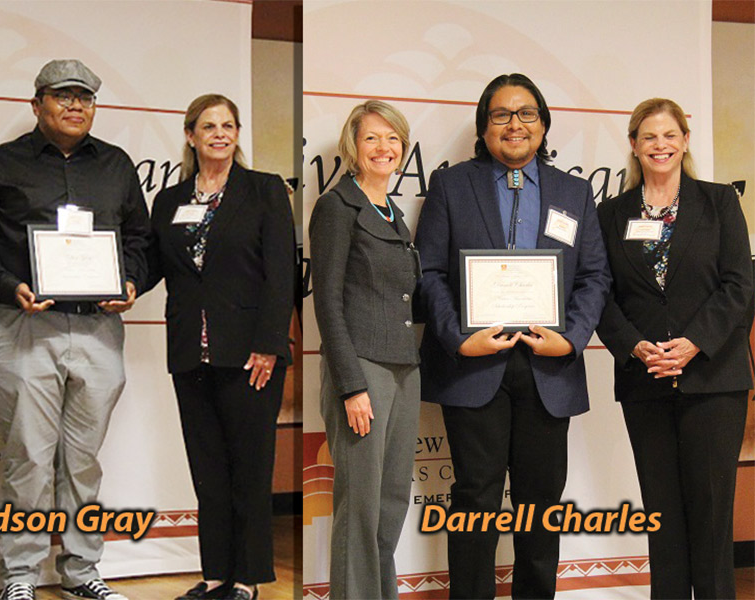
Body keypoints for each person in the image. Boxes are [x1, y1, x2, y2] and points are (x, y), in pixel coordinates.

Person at [414, 73, 610, 599]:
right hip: (474, 365)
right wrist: (459, 338)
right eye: (501, 115)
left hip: (548, 366)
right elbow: (428, 272)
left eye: (526, 114)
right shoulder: (452, 185)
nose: (514, 124)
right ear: (484, 127)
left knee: (541, 504)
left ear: (543, 125)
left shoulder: (573, 191)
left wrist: (571, 339)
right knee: (475, 501)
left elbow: (594, 276)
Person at [0, 59, 148, 600]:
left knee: (83, 462)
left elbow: (139, 240)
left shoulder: (116, 165)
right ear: (37, 104)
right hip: (24, 326)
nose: (75, 106)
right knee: (27, 458)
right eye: (63, 96)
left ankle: (82, 571)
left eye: (84, 98)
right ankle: (19, 576)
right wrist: (9, 287)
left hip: (98, 329)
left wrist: (131, 282)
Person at [596, 98, 753, 599]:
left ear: (685, 140)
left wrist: (694, 343)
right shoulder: (611, 214)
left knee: (711, 515)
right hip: (645, 379)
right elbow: (599, 293)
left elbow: (739, 285)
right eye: (649, 136)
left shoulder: (719, 201)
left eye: (669, 135)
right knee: (661, 515)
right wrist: (634, 346)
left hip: (714, 380)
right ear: (634, 145)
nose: (659, 145)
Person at [143, 94, 295, 600]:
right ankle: (214, 575)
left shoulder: (264, 190)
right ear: (190, 135)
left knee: (249, 469)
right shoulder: (169, 201)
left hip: (251, 354)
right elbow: (152, 265)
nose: (220, 134)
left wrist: (270, 344)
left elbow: (281, 274)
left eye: (229, 125)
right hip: (191, 351)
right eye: (209, 126)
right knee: (207, 471)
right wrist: (118, 285)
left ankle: (247, 579)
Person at [309, 100, 421, 599]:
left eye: (392, 138)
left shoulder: (394, 212)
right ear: (353, 146)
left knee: (390, 503)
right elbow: (328, 303)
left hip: (404, 369)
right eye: (372, 137)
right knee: (359, 508)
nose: (383, 147)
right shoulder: (337, 207)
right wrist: (351, 386)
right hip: (363, 372)